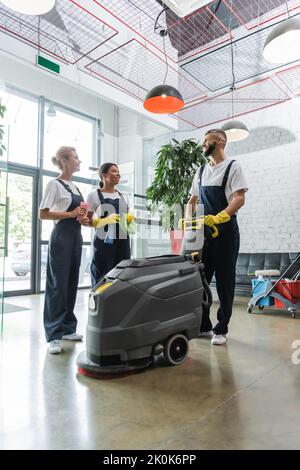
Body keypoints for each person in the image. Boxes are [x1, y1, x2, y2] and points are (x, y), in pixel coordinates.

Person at [186, 129, 248, 346]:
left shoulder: (233, 166)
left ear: (220, 141)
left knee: (224, 282)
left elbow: (239, 198)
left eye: (207, 141)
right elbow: (191, 201)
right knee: (200, 280)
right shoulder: (201, 171)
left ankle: (221, 328)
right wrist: (188, 224)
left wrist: (221, 216)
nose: (203, 145)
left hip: (225, 234)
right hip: (203, 234)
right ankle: (203, 325)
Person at [39, 146, 88, 354]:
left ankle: (68, 328)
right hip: (61, 238)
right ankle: (53, 335)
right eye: (76, 157)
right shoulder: (54, 184)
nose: (79, 161)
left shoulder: (75, 187)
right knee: (57, 284)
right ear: (65, 161)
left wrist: (83, 218)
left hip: (76, 236)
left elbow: (78, 214)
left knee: (71, 283)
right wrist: (70, 215)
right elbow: (43, 214)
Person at [86, 163, 131, 288]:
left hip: (123, 240)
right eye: (114, 171)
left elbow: (127, 219)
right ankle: (99, 304)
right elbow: (86, 221)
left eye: (118, 171)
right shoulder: (93, 196)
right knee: (102, 274)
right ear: (103, 175)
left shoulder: (124, 196)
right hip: (104, 242)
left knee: (123, 273)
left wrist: (129, 220)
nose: (118, 174)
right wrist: (103, 221)